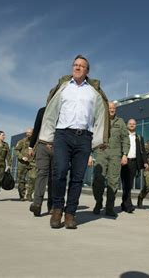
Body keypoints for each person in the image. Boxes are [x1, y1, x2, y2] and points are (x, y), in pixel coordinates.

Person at [38, 54, 109, 229]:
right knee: (60, 172)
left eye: (81, 66)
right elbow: (51, 112)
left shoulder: (93, 92)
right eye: (75, 65)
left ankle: (70, 213)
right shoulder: (63, 88)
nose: (77, 68)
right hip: (62, 134)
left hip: (84, 137)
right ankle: (57, 209)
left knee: (77, 178)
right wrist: (48, 136)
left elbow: (101, 114)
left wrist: (99, 138)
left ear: (87, 71)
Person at [92, 102, 130, 217]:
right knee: (98, 180)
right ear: (106, 109)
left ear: (116, 109)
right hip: (101, 153)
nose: (112, 110)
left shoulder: (121, 122)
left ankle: (109, 207)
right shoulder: (99, 120)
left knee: (113, 181)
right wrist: (89, 154)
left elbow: (125, 138)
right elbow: (91, 136)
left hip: (115, 154)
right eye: (110, 108)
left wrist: (125, 154)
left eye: (113, 108)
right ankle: (98, 202)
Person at [29, 107, 54, 216]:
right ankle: (37, 205)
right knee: (42, 174)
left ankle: (52, 206)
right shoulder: (42, 111)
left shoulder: (65, 109)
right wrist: (31, 146)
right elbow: (37, 127)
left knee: (54, 177)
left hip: (58, 146)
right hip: (43, 145)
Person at [120, 119, 147, 213]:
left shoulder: (139, 137)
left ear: (136, 125)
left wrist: (145, 162)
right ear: (127, 125)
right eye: (130, 124)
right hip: (124, 161)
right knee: (125, 183)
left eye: (133, 124)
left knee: (129, 184)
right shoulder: (123, 136)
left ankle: (125, 203)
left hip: (134, 163)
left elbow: (143, 151)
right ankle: (128, 204)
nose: (132, 125)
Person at [14, 128, 36, 201]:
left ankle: (29, 195)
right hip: (22, 163)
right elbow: (16, 151)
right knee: (21, 180)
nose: (28, 134)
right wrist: (21, 157)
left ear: (33, 133)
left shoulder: (37, 142)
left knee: (33, 178)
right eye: (27, 132)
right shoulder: (21, 141)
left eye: (29, 133)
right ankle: (22, 196)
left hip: (33, 163)